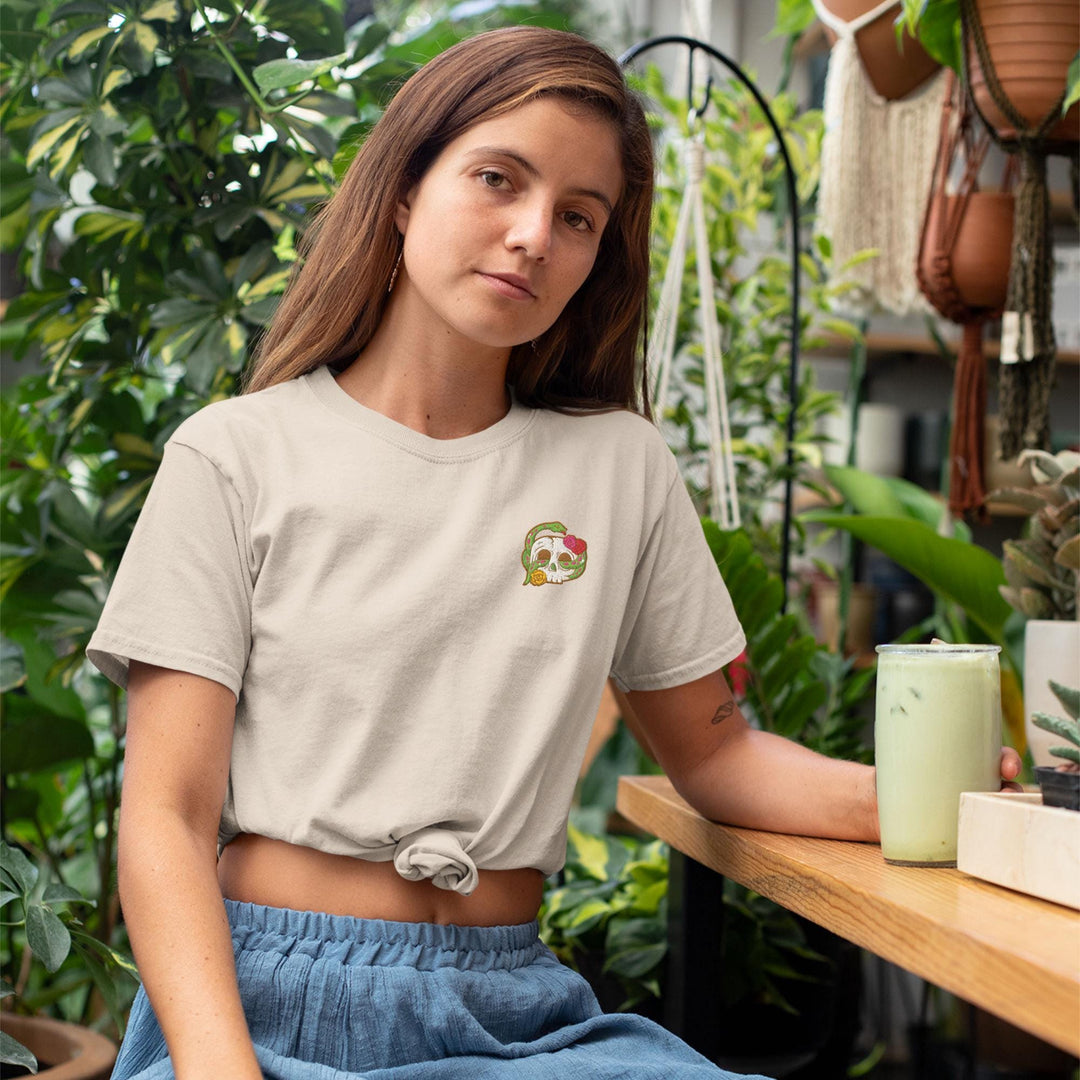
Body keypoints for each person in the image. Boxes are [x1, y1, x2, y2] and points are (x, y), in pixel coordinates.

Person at [85, 25, 1021, 1080]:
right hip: (263, 1013)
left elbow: (714, 755)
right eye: (498, 179)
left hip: (516, 1013)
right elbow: (165, 815)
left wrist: (927, 800)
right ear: (403, 188)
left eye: (578, 217)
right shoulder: (234, 457)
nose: (535, 234)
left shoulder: (616, 469)